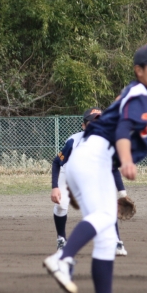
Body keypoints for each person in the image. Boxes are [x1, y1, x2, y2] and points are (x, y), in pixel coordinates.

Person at [43, 43, 147, 293]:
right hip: (95, 158)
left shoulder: (134, 93)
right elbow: (124, 129)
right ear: (139, 70)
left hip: (95, 162)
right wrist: (126, 160)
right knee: (105, 216)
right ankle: (63, 259)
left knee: (106, 237)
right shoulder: (140, 95)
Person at [51, 109, 130, 256]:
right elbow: (56, 163)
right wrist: (55, 187)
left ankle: (116, 242)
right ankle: (61, 239)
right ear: (84, 126)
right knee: (61, 205)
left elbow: (113, 169)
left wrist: (122, 194)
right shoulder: (74, 141)